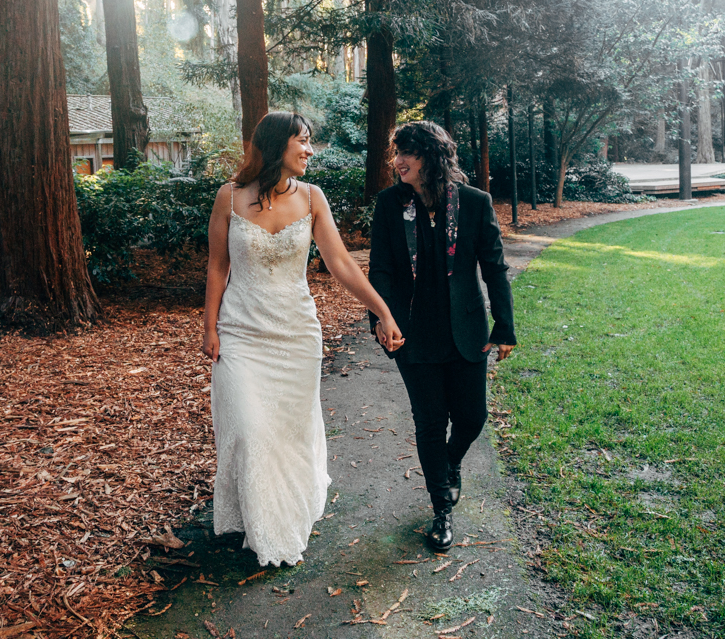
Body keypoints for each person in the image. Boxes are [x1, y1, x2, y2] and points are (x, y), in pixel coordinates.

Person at [202, 111, 404, 567]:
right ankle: (259, 519)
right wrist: (209, 326)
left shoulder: (313, 198)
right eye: (304, 141)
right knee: (251, 429)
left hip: (296, 333)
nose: (310, 150)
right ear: (277, 145)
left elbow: (342, 264)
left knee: (288, 431)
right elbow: (218, 266)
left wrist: (382, 310)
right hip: (240, 332)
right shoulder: (228, 197)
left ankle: (282, 517)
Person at [367, 121, 516, 552]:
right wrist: (380, 317)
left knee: (472, 418)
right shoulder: (390, 204)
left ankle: (449, 465)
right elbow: (381, 269)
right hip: (412, 335)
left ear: (430, 157)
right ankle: (442, 509)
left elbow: (494, 267)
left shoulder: (473, 203)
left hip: (466, 331)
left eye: (406, 153)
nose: (397, 162)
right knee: (430, 423)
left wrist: (504, 326)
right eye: (396, 153)